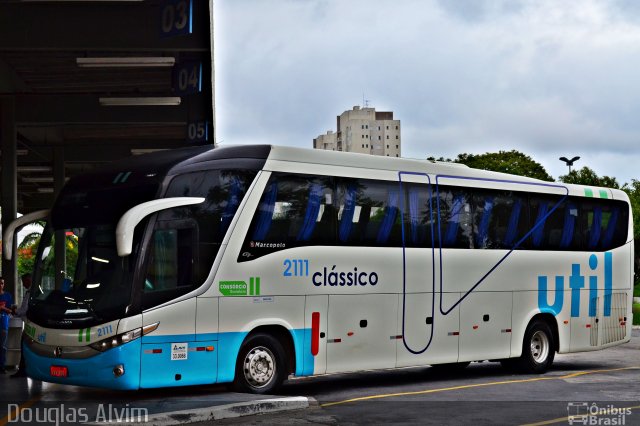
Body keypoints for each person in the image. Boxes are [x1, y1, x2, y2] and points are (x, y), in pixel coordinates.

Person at [11, 273, 31, 378]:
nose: (23, 285)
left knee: (23, 346)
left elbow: (24, 310)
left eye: (24, 282)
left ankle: (22, 370)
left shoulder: (30, 293)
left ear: (28, 280)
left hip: (29, 325)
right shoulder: (33, 292)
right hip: (30, 324)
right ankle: (23, 369)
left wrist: (15, 311)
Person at [0, 277, 14, 374]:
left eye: (2, 283)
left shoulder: (8, 296)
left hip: (4, 322)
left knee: (3, 346)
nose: (0, 285)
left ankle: (2, 366)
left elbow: (10, 310)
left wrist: (2, 308)